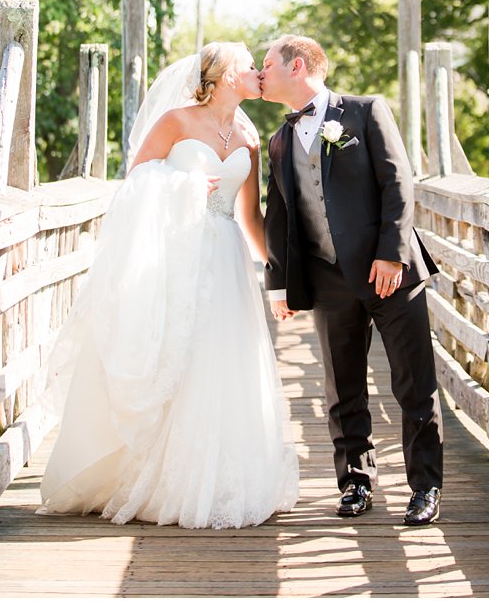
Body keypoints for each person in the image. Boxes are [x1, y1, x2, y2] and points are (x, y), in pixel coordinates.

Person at [38, 42, 299, 528]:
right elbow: (134, 183)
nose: (258, 72)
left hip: (226, 257)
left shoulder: (249, 134)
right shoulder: (176, 122)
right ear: (223, 76)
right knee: (176, 357)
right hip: (177, 253)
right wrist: (178, 188)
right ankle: (150, 478)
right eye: (249, 66)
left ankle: (215, 479)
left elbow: (249, 214)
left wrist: (282, 278)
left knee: (219, 362)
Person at [259, 34, 444, 525]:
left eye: (267, 65)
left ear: (296, 66)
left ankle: (424, 488)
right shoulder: (278, 140)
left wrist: (391, 255)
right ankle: (355, 483)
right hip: (328, 280)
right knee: (342, 387)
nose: (261, 74)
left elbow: (398, 184)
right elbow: (278, 215)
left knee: (413, 384)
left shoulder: (364, 112)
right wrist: (279, 283)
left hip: (391, 274)